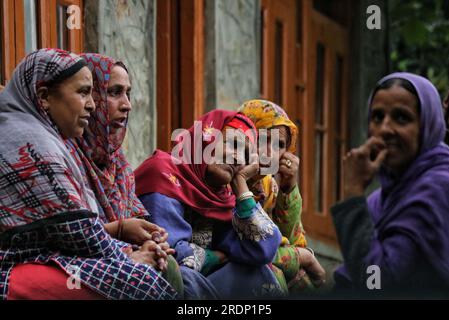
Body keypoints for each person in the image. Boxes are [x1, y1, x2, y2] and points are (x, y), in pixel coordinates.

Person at [0, 48, 176, 300]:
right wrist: (128, 256)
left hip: (46, 259)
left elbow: (82, 233)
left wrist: (139, 247)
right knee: (141, 282)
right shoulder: (31, 143)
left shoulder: (110, 161)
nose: (93, 105)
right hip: (13, 268)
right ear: (44, 96)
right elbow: (79, 233)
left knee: (161, 271)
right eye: (84, 93)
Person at [135, 110, 286, 298]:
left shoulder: (222, 197)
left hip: (199, 286)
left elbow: (264, 250)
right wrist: (218, 256)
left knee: (257, 273)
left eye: (245, 156)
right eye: (233, 144)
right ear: (205, 140)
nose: (237, 158)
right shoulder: (163, 173)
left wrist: (240, 183)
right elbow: (169, 252)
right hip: (159, 283)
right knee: (185, 277)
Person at [332, 72, 449, 297]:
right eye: (377, 117)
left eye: (402, 118)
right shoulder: (382, 198)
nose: (385, 129)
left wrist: (352, 193)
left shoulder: (439, 187)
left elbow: (377, 282)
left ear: (428, 126)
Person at [238, 100, 326, 294]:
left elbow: (293, 240)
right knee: (274, 274)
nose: (269, 152)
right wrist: (304, 257)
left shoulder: (268, 185)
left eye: (279, 145)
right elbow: (247, 250)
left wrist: (288, 186)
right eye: (262, 139)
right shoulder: (226, 179)